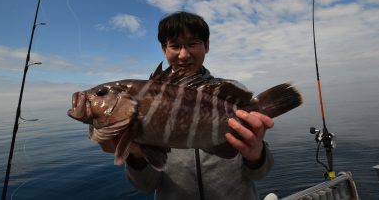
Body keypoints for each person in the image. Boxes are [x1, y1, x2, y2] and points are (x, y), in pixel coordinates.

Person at [101, 11, 274, 199]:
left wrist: (257, 155)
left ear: (206, 46)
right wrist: (136, 155)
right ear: (163, 49)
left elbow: (259, 174)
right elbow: (146, 185)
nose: (183, 55)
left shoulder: (231, 94)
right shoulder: (144, 103)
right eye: (175, 46)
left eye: (192, 44)